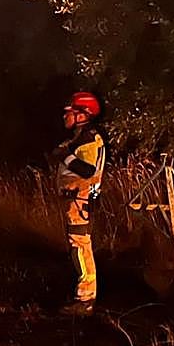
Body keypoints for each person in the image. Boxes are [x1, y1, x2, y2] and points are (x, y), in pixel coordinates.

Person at [53, 91, 106, 315]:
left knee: (80, 248)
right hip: (75, 201)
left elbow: (88, 170)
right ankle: (83, 295)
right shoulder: (80, 137)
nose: (66, 116)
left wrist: (64, 156)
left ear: (83, 115)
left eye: (71, 112)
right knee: (78, 246)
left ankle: (85, 299)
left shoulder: (89, 139)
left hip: (79, 201)